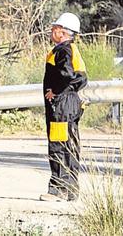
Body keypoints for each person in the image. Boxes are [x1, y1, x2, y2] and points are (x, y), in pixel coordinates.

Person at [41, 12, 87, 202]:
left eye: (54, 29)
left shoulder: (63, 50)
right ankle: (71, 190)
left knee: (59, 146)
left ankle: (58, 189)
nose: (52, 32)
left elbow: (66, 75)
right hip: (69, 104)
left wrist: (56, 92)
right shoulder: (71, 50)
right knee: (70, 145)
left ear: (62, 32)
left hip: (61, 106)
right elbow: (81, 78)